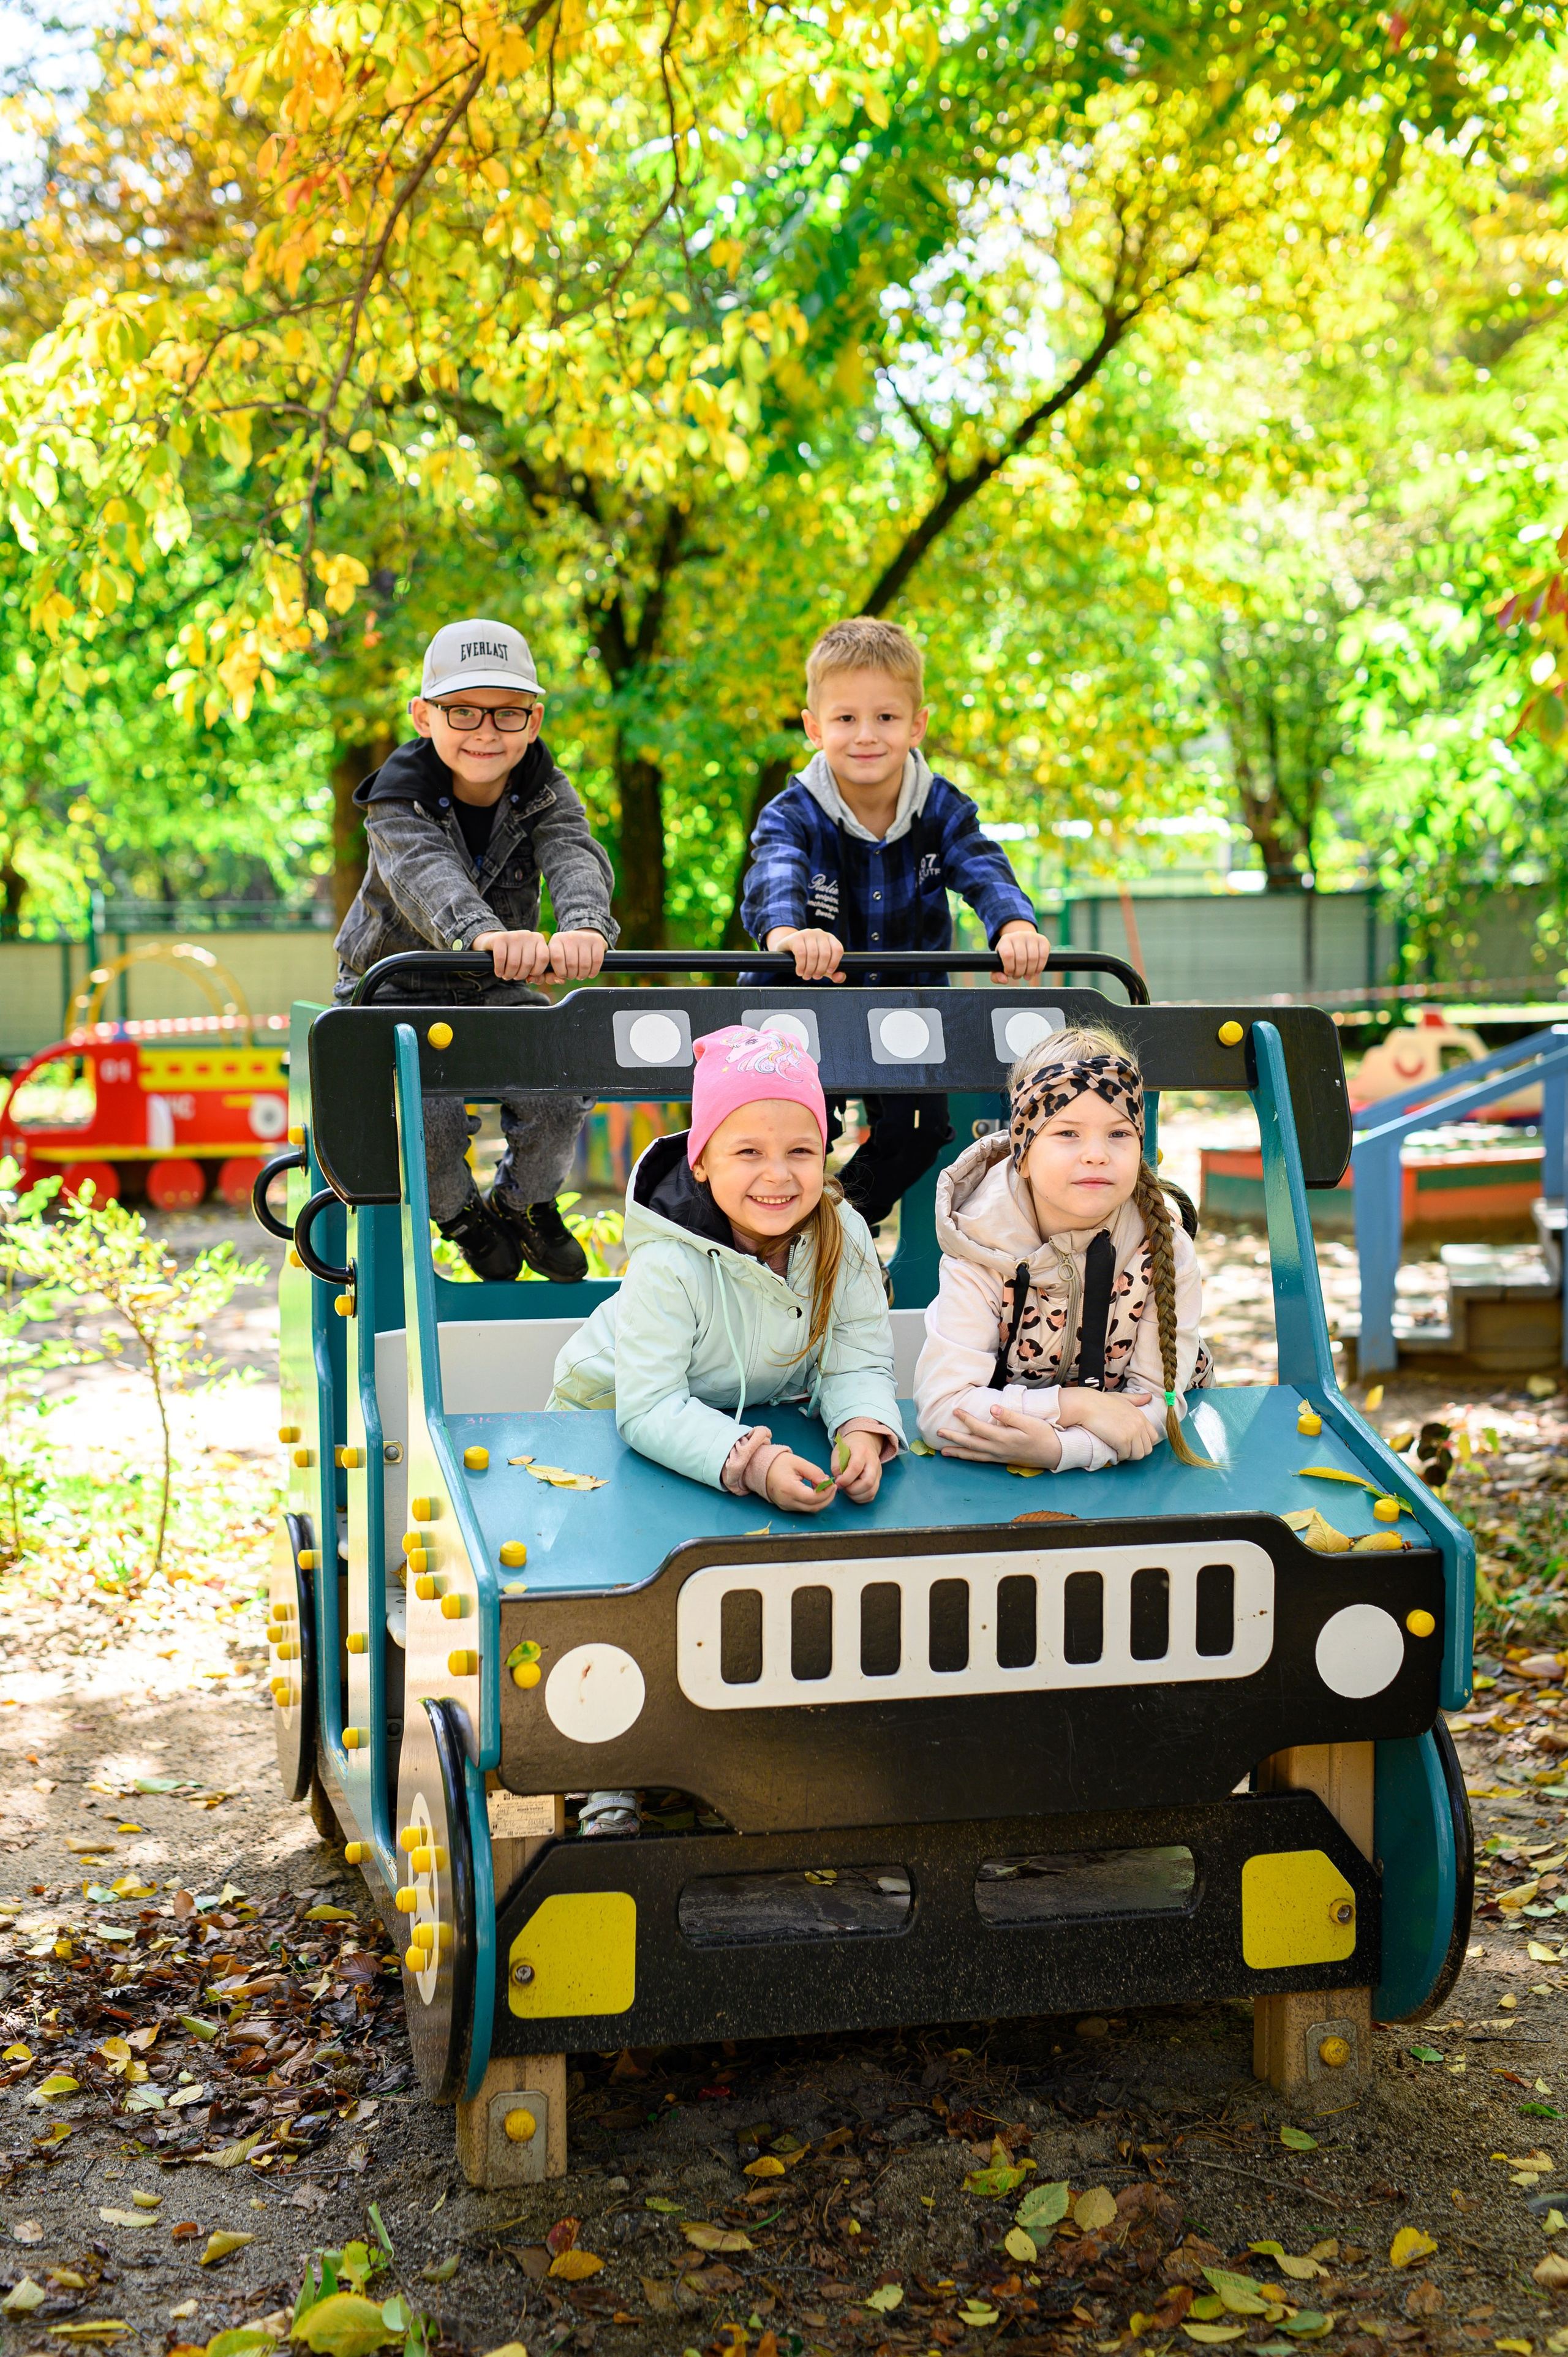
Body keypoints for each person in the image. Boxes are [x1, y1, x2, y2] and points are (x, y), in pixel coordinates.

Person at [550, 1024, 904, 1835]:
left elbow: (855, 1357)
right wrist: (751, 1460)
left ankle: (757, 1739)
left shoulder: (841, 1236)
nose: (778, 1176)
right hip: (612, 1426)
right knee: (631, 1581)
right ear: (702, 1158)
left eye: (802, 1152)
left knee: (790, 1560)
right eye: (747, 1153)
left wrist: (860, 1424)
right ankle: (608, 1771)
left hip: (745, 1420)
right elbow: (647, 1407)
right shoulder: (668, 1263)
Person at [739, 616, 1052, 1231]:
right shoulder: (795, 811)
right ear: (813, 727)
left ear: (916, 725)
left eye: (885, 718)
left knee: (922, 1131)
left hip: (905, 1006)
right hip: (808, 1008)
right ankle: (787, 1229)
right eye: (845, 719)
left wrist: (1013, 924)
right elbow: (774, 870)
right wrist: (787, 933)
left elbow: (982, 865)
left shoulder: (941, 809)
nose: (866, 736)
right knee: (797, 1128)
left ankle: (836, 1224)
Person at [333, 618, 617, 1283]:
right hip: (393, 983)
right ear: (424, 716)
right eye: (463, 711)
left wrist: (583, 926)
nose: (486, 731)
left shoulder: (547, 790)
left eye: (507, 713)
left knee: (559, 1083)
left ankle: (524, 1203)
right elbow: (427, 875)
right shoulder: (395, 799)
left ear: (534, 719)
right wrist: (484, 935)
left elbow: (574, 854)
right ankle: (461, 1217)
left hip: (494, 984)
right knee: (423, 1113)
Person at [914, 1025, 1215, 1471]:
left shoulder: (1163, 1247)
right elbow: (943, 1411)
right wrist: (1076, 1407)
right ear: (1024, 1154)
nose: (1096, 1154)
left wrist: (1061, 1450)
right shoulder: (980, 1247)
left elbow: (1157, 1403)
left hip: (1146, 1472)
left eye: (1118, 1134)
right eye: (1067, 1133)